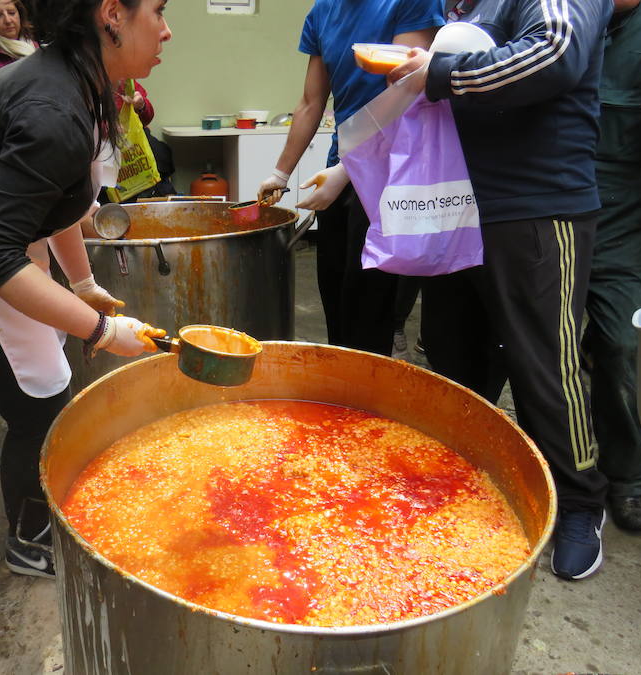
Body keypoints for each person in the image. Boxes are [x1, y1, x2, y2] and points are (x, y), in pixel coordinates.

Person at [0, 0, 171, 578]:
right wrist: (105, 329)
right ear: (112, 14)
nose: (167, 31)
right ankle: (30, 539)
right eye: (159, 12)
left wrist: (84, 282)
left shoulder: (80, 80)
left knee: (50, 380)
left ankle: (40, 519)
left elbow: (55, 200)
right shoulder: (55, 107)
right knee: (38, 400)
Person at [389, 0, 613, 580]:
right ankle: (479, 481)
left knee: (545, 363)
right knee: (452, 351)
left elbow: (554, 54)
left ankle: (580, 501)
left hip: (539, 206)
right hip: (463, 205)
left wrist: (438, 75)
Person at [257, 0, 444, 357]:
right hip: (341, 166)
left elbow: (406, 93)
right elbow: (312, 102)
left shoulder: (408, 3)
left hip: (389, 172)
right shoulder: (324, 11)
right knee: (335, 295)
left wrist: (349, 171)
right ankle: (341, 398)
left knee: (367, 310)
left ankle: (366, 400)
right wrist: (279, 173)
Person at [581, 0, 641, 530]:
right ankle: (559, 466)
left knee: (620, 342)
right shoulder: (560, 15)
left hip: (619, 213)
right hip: (548, 205)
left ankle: (628, 475)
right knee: (545, 345)